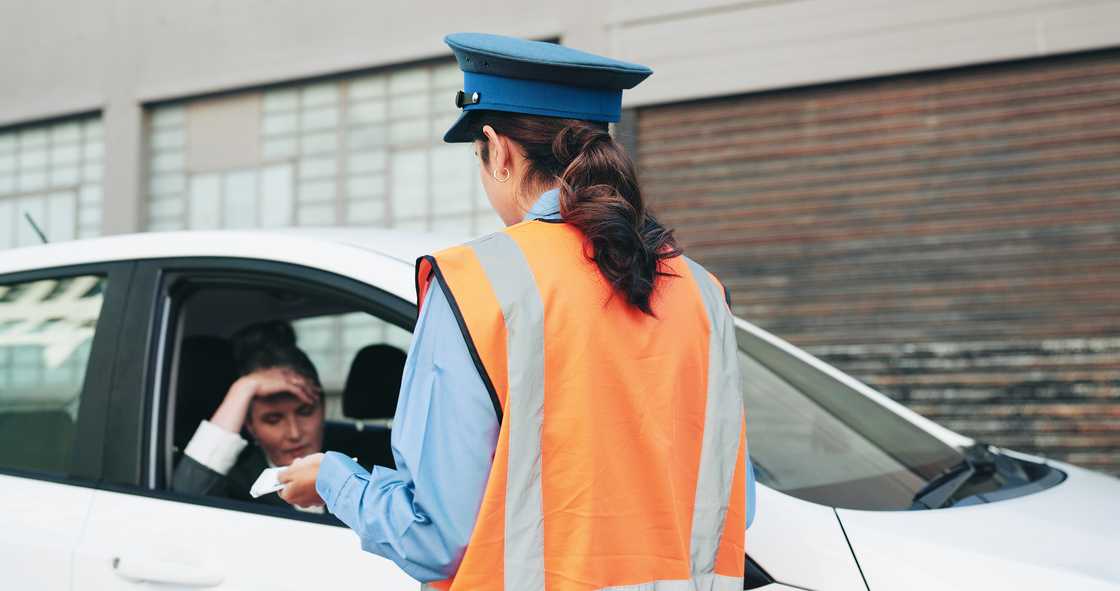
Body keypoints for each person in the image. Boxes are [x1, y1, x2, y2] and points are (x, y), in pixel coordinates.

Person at [279, 32, 756, 589]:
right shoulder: (701, 291)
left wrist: (334, 479)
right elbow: (731, 509)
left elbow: (433, 539)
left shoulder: (478, 283)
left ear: (497, 150)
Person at [173, 320, 323, 510]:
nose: (294, 433)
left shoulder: (362, 470)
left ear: (322, 409)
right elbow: (186, 500)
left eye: (305, 412)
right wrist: (244, 388)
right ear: (251, 427)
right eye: (273, 419)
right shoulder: (234, 486)